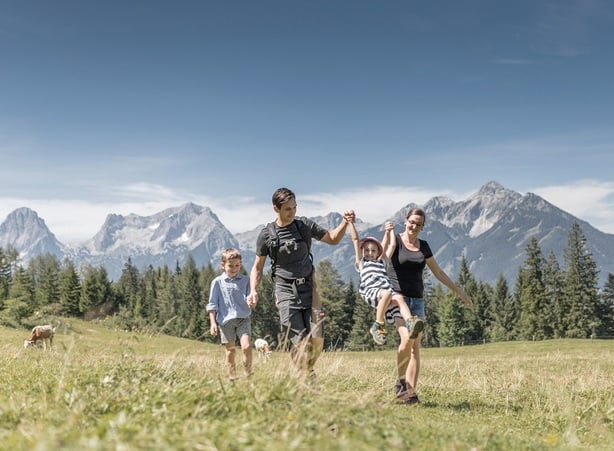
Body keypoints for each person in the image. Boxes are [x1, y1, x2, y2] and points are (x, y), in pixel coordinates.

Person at [248, 187, 355, 377]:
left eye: (294, 207)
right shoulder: (267, 235)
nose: (293, 212)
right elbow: (257, 267)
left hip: (309, 288)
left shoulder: (303, 226)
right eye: (288, 209)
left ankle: (305, 369)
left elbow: (332, 239)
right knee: (299, 341)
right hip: (285, 290)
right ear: (276, 209)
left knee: (317, 341)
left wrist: (345, 223)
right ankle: (306, 376)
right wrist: (253, 290)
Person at [385, 208, 473, 404]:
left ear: (422, 227)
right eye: (412, 222)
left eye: (419, 224)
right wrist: (388, 235)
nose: (414, 227)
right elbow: (383, 257)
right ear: (405, 221)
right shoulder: (395, 241)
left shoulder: (423, 246)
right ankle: (401, 384)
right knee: (406, 338)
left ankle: (410, 392)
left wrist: (460, 293)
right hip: (398, 299)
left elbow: (438, 272)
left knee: (415, 347)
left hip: (417, 301)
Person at [348, 220, 423, 345]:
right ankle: (378, 324)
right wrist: (350, 223)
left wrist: (389, 231)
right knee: (388, 293)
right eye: (366, 250)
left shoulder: (381, 262)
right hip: (372, 292)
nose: (370, 253)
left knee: (399, 298)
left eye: (373, 251)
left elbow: (392, 245)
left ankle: (410, 322)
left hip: (386, 293)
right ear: (362, 252)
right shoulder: (362, 263)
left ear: (378, 253)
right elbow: (355, 240)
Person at [207, 248, 253, 381]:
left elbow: (250, 296)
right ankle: (232, 376)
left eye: (237, 265)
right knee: (231, 350)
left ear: (241, 264)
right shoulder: (217, 282)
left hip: (243, 318)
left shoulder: (245, 280)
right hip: (225, 321)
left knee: (247, 346)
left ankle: (248, 375)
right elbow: (212, 304)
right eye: (230, 266)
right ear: (223, 265)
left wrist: (251, 301)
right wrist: (213, 323)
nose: (234, 268)